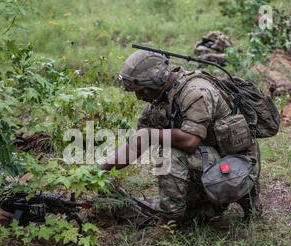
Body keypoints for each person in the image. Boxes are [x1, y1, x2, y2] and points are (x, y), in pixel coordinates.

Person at [99, 50, 262, 230]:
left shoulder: (195, 92)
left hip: (237, 167)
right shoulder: (161, 98)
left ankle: (170, 224)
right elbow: (137, 144)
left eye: (142, 90)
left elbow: (190, 141)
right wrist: (102, 170)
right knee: (193, 214)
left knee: (170, 152)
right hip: (208, 162)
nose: (139, 97)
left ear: (157, 81)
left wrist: (149, 135)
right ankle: (201, 207)